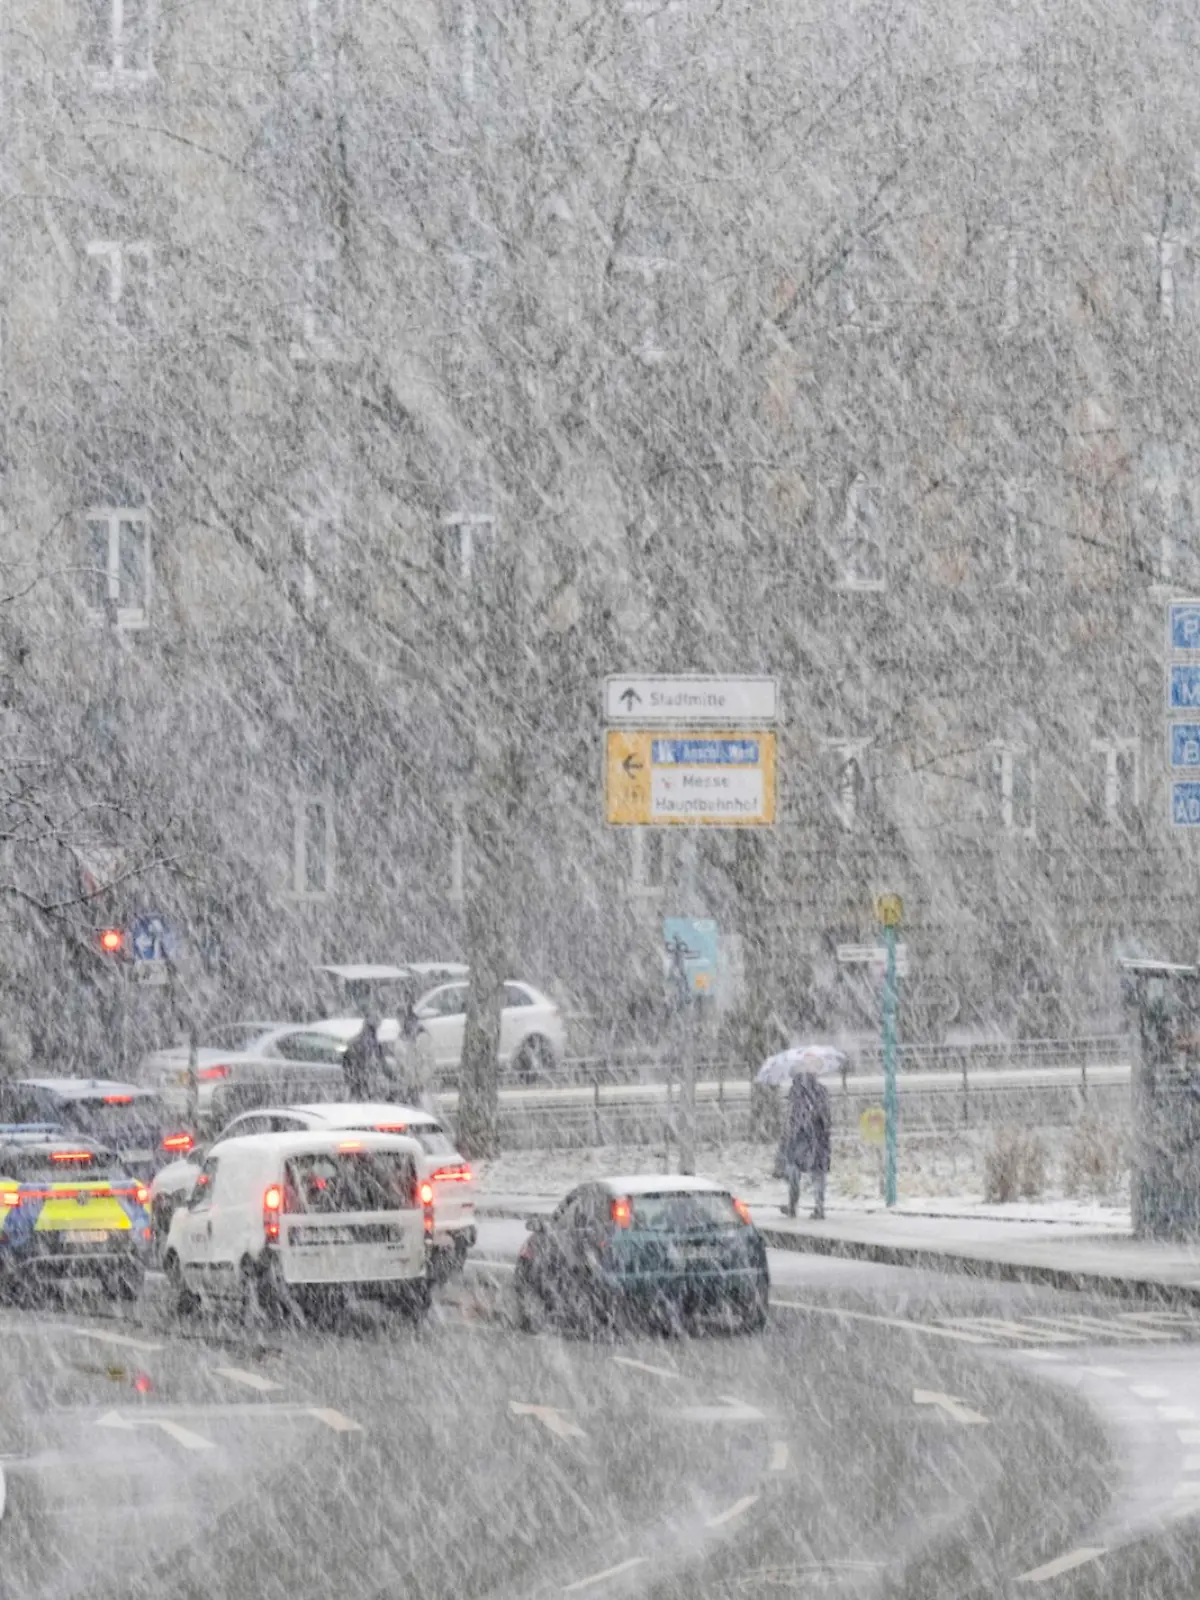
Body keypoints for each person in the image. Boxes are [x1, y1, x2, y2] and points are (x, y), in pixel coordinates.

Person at [779, 1071, 831, 1219]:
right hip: (819, 1137)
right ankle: (819, 1207)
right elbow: (826, 1116)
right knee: (818, 1173)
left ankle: (793, 1206)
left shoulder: (796, 1092)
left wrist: (791, 1133)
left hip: (801, 1137)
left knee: (794, 1171)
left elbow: (794, 1118)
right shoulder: (821, 1091)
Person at [341, 1014, 386, 1100]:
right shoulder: (367, 1041)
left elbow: (346, 1062)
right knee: (362, 1096)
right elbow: (377, 1059)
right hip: (362, 1076)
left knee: (359, 1096)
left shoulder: (359, 1040)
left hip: (360, 1077)